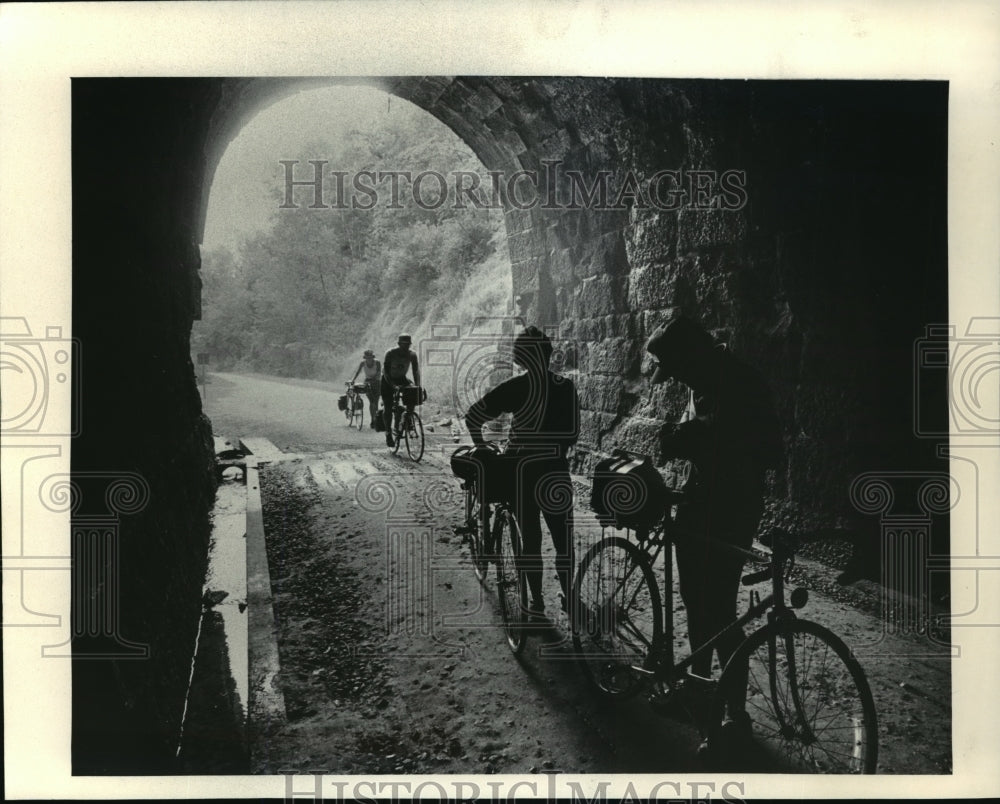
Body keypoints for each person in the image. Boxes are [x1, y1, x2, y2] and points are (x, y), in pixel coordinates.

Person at [645, 315, 782, 738]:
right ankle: (698, 688)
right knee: (696, 601)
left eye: (677, 370)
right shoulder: (706, 378)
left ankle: (734, 713)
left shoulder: (739, 382)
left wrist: (690, 439)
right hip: (702, 502)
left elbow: (758, 450)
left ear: (691, 358)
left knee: (719, 609)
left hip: (729, 509)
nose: (676, 380)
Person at [464, 326, 580, 618]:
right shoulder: (565, 387)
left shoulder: (516, 387)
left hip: (521, 472)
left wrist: (481, 447)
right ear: (548, 354)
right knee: (563, 540)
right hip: (555, 472)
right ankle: (569, 596)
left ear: (521, 358)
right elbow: (572, 434)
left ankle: (536, 601)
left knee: (530, 538)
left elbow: (473, 416)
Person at [381, 333, 423, 447]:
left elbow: (415, 371)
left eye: (408, 345)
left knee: (413, 394)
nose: (406, 347)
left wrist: (418, 386)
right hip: (387, 380)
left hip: (401, 378)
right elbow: (385, 372)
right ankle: (388, 433)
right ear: (399, 344)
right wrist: (393, 386)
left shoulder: (412, 354)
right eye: (403, 344)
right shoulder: (390, 353)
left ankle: (408, 420)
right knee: (388, 406)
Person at [351, 349, 382, 428]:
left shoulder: (377, 362)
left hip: (377, 382)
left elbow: (379, 373)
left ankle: (376, 420)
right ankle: (373, 420)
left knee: (376, 402)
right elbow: (357, 372)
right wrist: (353, 380)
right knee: (372, 402)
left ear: (372, 357)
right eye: (367, 357)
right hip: (367, 382)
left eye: (370, 357)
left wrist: (373, 379)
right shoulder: (363, 363)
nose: (369, 359)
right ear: (365, 358)